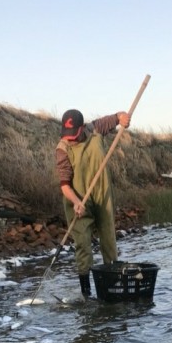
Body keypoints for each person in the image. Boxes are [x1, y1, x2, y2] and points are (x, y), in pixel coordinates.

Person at [56, 108, 131, 298]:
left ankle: (112, 288)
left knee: (109, 241)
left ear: (82, 128)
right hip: (77, 201)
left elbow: (117, 117)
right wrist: (76, 202)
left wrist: (122, 119)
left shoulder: (95, 128)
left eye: (74, 135)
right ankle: (86, 293)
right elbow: (64, 185)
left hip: (102, 195)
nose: (70, 139)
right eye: (67, 136)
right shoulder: (62, 149)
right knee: (83, 245)